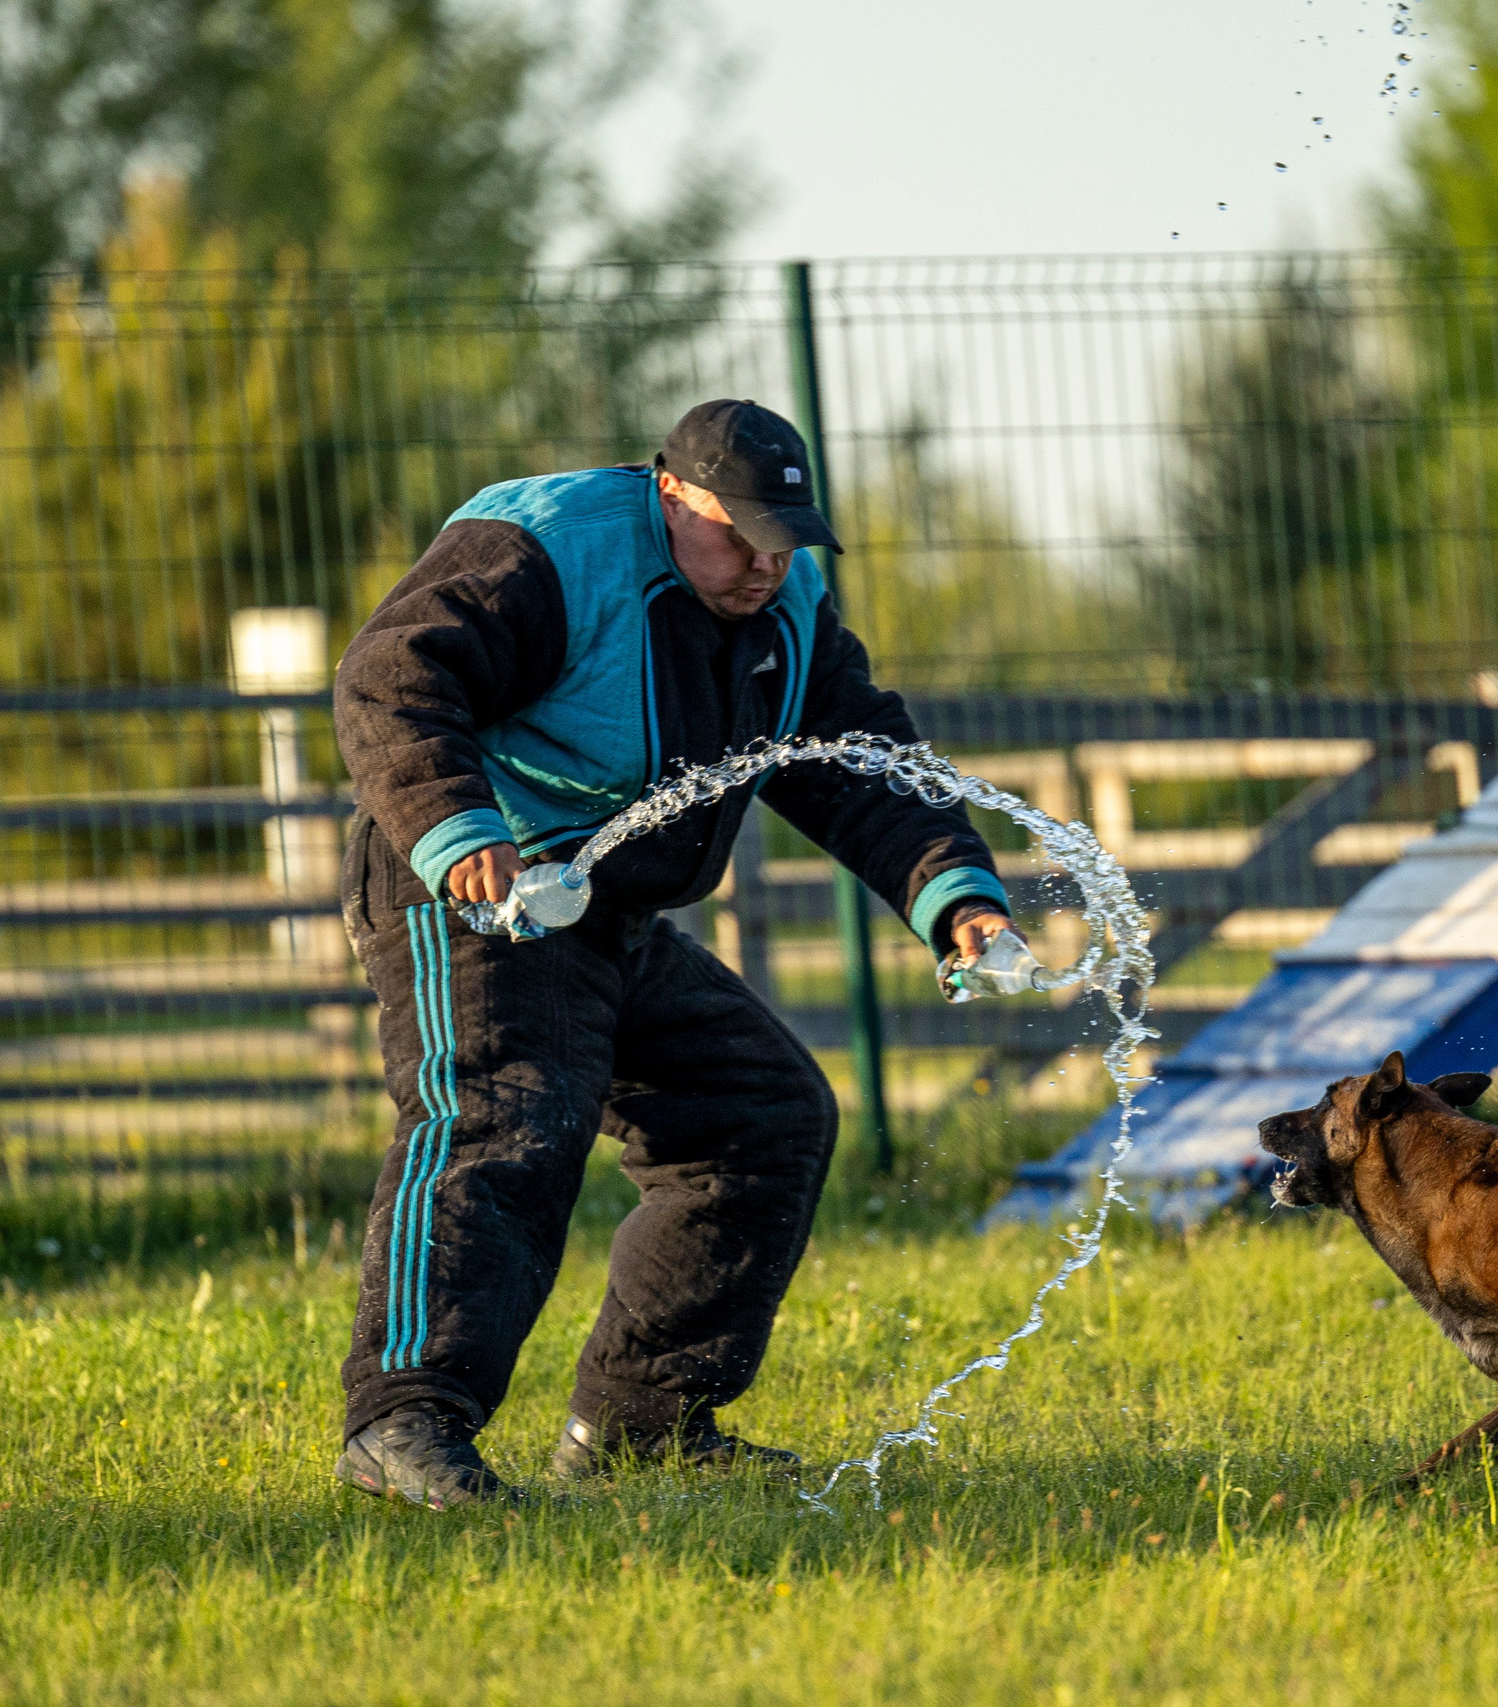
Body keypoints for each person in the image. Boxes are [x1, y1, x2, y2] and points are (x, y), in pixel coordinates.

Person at [328, 399, 1016, 1508]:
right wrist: (464, 833)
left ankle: (643, 1426)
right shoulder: (544, 549)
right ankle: (403, 1420)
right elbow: (389, 681)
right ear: (670, 493)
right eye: (735, 536)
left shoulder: (785, 604)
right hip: (462, 886)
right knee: (509, 1117)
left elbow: (857, 761)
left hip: (597, 912)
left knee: (760, 1114)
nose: (762, 565)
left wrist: (954, 896)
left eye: (783, 539)